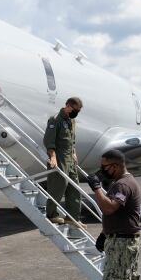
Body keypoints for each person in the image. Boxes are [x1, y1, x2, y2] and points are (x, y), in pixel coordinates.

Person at [68, 149, 141, 280]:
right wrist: (104, 234)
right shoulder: (121, 183)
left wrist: (97, 188)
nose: (102, 171)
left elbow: (109, 207)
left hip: (123, 243)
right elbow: (118, 215)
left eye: (105, 167)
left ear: (116, 166)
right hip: (120, 239)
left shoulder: (123, 185)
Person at [43, 97, 85, 228]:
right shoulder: (56, 119)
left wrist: (74, 153)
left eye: (78, 111)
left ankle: (72, 217)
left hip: (70, 160)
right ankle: (52, 214)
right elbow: (49, 140)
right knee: (58, 185)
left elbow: (71, 140)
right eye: (75, 110)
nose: (76, 113)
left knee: (75, 187)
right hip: (59, 158)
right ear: (68, 106)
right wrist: (53, 157)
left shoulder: (72, 121)